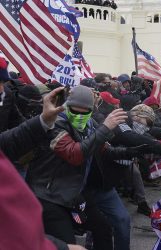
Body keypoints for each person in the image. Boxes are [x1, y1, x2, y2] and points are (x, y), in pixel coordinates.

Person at [26, 85, 139, 250]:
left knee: (103, 228)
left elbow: (105, 149)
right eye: (74, 110)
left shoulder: (90, 124)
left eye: (84, 111)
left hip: (74, 193)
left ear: (91, 110)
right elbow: (75, 154)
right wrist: (105, 127)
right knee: (68, 244)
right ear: (67, 106)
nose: (79, 116)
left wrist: (135, 151)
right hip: (50, 196)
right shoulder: (56, 123)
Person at [0, 87, 86, 250]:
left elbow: (7, 142)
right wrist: (61, 247)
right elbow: (14, 233)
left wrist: (43, 121)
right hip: (47, 194)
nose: (2, 90)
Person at [0, 57, 25, 132]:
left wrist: (41, 123)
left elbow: (17, 121)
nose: (1, 88)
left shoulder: (6, 94)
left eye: (2, 82)